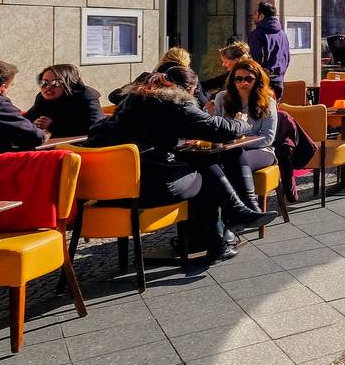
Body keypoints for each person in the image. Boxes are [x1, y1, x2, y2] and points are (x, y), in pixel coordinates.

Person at [84, 70, 275, 265]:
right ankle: (220, 240)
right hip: (146, 188)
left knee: (198, 164)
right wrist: (240, 123)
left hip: (107, 190)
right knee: (202, 176)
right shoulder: (175, 103)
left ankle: (230, 218)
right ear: (188, 89)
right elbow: (221, 130)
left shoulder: (131, 101)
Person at [212, 58, 280, 212]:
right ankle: (237, 211)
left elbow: (268, 138)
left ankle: (244, 210)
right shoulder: (222, 98)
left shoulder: (267, 102)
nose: (243, 83)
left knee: (236, 160)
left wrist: (237, 142)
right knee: (218, 165)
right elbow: (217, 128)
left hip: (262, 150)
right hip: (229, 150)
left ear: (257, 80)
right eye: (239, 79)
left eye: (248, 79)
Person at [24, 64, 103, 138]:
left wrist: (52, 126)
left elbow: (94, 128)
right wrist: (33, 125)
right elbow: (25, 120)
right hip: (55, 145)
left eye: (56, 83)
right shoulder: (43, 99)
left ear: (69, 84)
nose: (48, 87)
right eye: (44, 82)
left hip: (82, 147)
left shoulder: (84, 98)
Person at [249, 2, 292, 96]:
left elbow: (256, 61)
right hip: (279, 82)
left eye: (255, 13)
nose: (253, 15)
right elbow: (287, 58)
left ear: (261, 16)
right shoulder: (282, 34)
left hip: (263, 83)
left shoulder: (257, 35)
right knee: (274, 109)